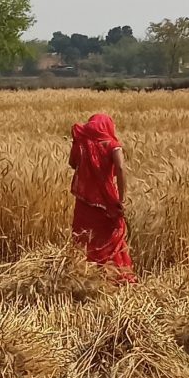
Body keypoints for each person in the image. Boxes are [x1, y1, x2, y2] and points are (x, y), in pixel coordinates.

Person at [68, 112, 136, 280]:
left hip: (85, 200)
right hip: (106, 200)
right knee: (112, 233)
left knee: (85, 236)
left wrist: (82, 148)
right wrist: (121, 198)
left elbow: (72, 163)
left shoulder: (83, 143)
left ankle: (86, 274)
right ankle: (115, 275)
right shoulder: (113, 145)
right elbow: (120, 168)